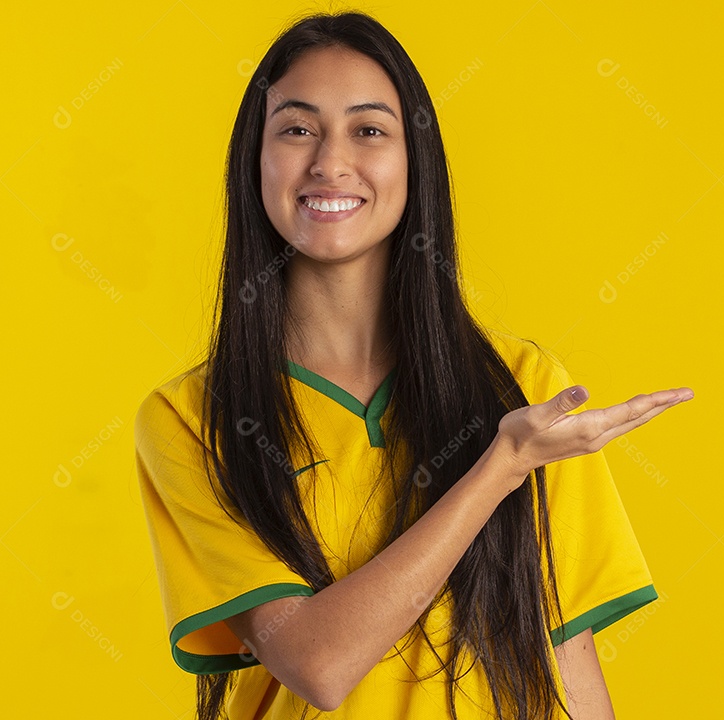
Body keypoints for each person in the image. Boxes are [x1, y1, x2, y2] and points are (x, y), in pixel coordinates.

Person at [134, 10, 693, 720]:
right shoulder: (191, 418)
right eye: (298, 129)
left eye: (369, 130)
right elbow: (317, 664)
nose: (330, 162)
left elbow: (561, 651)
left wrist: (515, 450)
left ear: (414, 161)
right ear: (256, 159)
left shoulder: (524, 386)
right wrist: (500, 467)